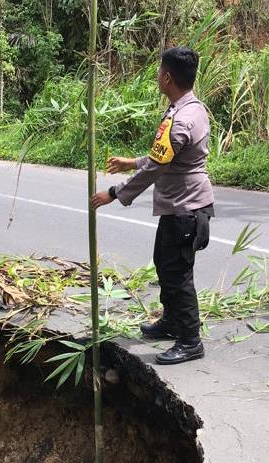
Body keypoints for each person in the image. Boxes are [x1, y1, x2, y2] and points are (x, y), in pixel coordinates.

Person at [90, 45, 214, 365]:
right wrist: (131, 161)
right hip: (177, 207)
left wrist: (115, 193)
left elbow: (156, 167)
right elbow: (164, 156)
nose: (158, 76)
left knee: (178, 275)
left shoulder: (182, 119)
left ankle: (190, 341)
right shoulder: (189, 108)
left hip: (185, 210)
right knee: (164, 263)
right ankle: (172, 322)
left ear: (167, 77)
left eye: (160, 72)